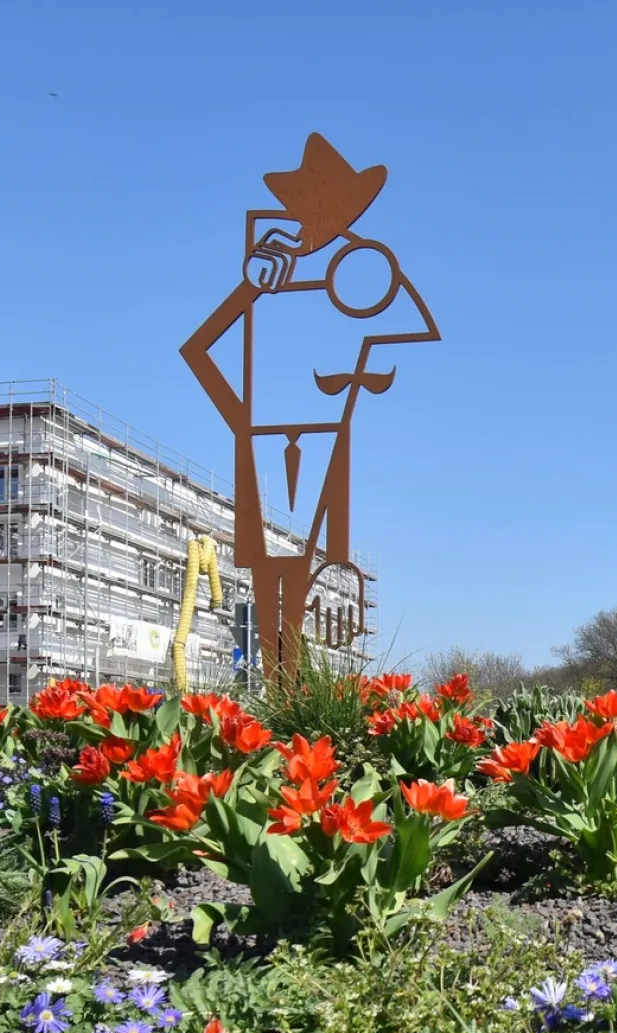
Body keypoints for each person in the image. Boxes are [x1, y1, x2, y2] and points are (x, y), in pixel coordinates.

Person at [182, 133, 440, 675]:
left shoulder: (354, 280)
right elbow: (199, 349)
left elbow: (419, 320)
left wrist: (358, 254)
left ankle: (288, 690)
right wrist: (242, 422)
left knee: (298, 575)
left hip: (322, 435)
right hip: (266, 436)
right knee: (264, 570)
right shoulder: (271, 287)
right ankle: (277, 689)